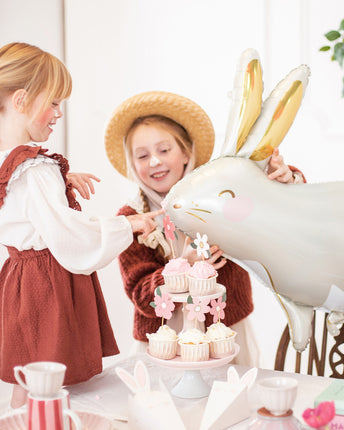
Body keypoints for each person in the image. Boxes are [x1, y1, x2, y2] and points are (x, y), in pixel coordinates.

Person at [0, 42, 162, 408]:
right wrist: (127, 225)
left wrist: (59, 182)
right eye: (53, 102)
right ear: (21, 100)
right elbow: (71, 240)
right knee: (50, 381)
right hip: (46, 284)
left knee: (28, 375)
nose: (58, 113)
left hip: (17, 281)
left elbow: (16, 204)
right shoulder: (34, 170)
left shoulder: (4, 163)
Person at [104, 91, 306, 367]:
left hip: (224, 332)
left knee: (229, 401)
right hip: (163, 341)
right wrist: (182, 265)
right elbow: (141, 295)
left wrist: (284, 177)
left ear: (187, 153)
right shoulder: (132, 219)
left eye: (164, 150)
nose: (154, 161)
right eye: (142, 155)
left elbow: (261, 197)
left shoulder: (218, 194)